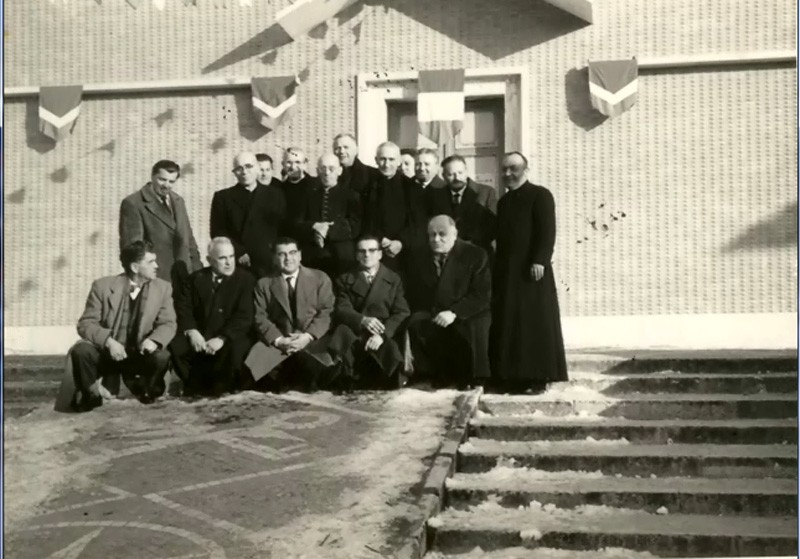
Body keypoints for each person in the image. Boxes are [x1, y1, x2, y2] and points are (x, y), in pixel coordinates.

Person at [64, 240, 176, 411]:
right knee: (81, 351)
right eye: (150, 262)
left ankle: (149, 393)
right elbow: (86, 323)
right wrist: (108, 341)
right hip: (109, 353)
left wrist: (154, 340)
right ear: (135, 267)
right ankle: (91, 395)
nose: (157, 266)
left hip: (141, 354)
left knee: (162, 356)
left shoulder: (163, 288)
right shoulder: (102, 286)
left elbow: (168, 323)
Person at [491, 152, 567, 393]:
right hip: (508, 274)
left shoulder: (540, 195)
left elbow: (547, 231)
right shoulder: (503, 202)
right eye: (504, 170)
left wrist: (540, 260)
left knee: (534, 325)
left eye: (513, 168)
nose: (507, 174)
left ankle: (537, 377)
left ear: (525, 169)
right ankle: (512, 376)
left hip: (533, 272)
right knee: (511, 324)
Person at [405, 216, 491, 387]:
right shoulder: (420, 256)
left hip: (467, 311)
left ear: (454, 233)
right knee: (417, 322)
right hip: (435, 310)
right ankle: (432, 374)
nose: (436, 239)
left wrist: (454, 312)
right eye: (432, 235)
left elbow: (481, 295)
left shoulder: (475, 254)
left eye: (442, 234)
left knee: (474, 327)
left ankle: (473, 378)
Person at [244, 238, 338, 391]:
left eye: (292, 253)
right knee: (257, 375)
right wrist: (279, 340)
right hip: (280, 343)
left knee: (316, 373)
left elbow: (327, 312)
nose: (288, 258)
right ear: (274, 258)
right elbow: (260, 316)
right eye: (282, 254)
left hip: (312, 341)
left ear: (300, 255)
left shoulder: (320, 278)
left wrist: (307, 337)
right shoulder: (264, 284)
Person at [170, 237, 256, 396]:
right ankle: (193, 384)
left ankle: (226, 388)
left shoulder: (246, 280)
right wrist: (192, 331)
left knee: (236, 350)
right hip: (202, 334)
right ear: (209, 260)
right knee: (176, 344)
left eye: (231, 256)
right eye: (223, 258)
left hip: (231, 335)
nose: (229, 262)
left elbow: (244, 316)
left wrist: (222, 338)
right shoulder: (196, 279)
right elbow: (184, 308)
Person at [328, 236, 410, 389]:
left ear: (380, 254)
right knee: (342, 333)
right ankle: (347, 377)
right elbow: (342, 308)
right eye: (362, 251)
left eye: (372, 250)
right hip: (356, 331)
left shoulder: (393, 279)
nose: (367, 255)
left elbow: (401, 312)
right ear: (356, 255)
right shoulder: (345, 279)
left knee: (390, 358)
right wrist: (362, 320)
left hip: (382, 331)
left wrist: (382, 335)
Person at [119, 160, 201, 283]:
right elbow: (132, 250)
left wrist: (198, 273)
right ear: (152, 177)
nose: (166, 185)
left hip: (185, 278)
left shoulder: (179, 201)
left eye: (171, 181)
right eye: (162, 179)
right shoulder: (133, 203)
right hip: (156, 280)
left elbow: (189, 241)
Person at [209, 151, 287, 278]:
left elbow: (282, 229)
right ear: (234, 172)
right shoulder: (223, 197)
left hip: (268, 263)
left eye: (249, 166)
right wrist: (239, 252)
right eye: (239, 168)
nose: (244, 172)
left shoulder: (275, 195)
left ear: (257, 168)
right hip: (239, 263)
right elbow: (218, 232)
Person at [300, 154, 362, 278]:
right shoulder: (308, 195)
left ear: (339, 171)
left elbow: (356, 225)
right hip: (314, 254)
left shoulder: (351, 195)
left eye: (331, 169)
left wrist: (328, 230)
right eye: (323, 169)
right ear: (317, 171)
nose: (327, 173)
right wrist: (315, 226)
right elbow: (299, 222)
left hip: (342, 256)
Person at [429, 154, 496, 254]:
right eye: (451, 174)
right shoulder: (437, 196)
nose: (457, 178)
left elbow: (493, 226)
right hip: (448, 255)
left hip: (478, 253)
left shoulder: (486, 192)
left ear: (466, 172)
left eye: (460, 173)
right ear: (443, 176)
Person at [360, 141, 412, 271]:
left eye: (391, 159)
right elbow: (365, 218)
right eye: (382, 159)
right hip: (375, 248)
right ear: (376, 160)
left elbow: (416, 222)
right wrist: (379, 239)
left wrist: (400, 242)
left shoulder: (410, 187)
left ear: (399, 161)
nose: (386, 164)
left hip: (404, 251)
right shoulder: (367, 187)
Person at [280, 147, 316, 237]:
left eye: (297, 162)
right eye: (289, 162)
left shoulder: (316, 186)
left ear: (305, 164)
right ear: (283, 164)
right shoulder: (279, 189)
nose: (293, 167)